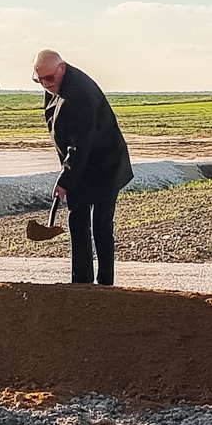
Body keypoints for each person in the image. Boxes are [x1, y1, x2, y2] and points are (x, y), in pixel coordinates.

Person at [33, 49, 132, 286]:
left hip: (106, 165)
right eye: (39, 79)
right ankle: (81, 282)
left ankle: (105, 283)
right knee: (77, 221)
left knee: (101, 224)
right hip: (80, 165)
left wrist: (64, 180)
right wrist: (69, 174)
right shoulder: (54, 85)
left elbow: (80, 144)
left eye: (49, 78)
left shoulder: (81, 95)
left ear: (62, 68)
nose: (45, 84)